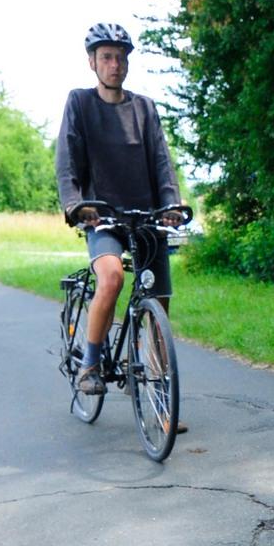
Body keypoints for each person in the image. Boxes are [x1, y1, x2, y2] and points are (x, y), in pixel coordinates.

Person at [55, 22, 187, 430]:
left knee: (157, 301)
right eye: (107, 57)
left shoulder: (144, 108)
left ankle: (161, 404)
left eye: (121, 57)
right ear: (93, 62)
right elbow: (67, 162)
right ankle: (91, 365)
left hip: (145, 216)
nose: (115, 65)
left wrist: (171, 205)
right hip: (101, 215)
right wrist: (76, 205)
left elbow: (162, 165)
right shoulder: (79, 103)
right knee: (111, 278)